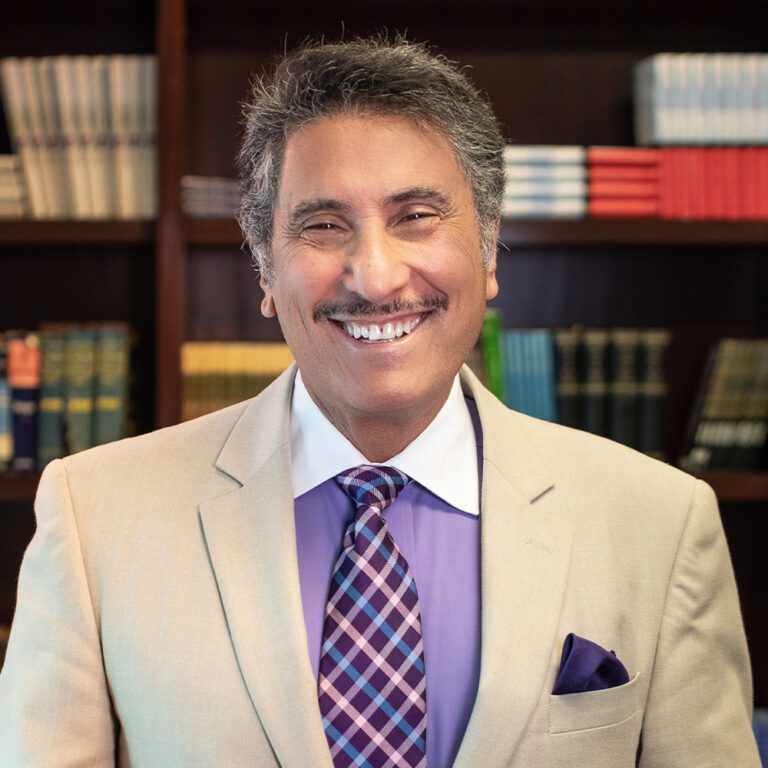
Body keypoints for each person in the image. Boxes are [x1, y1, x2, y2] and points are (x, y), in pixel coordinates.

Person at [0, 37, 760, 768]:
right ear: (266, 271)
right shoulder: (94, 516)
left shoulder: (661, 525)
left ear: (489, 247)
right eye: (323, 225)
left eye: (416, 217)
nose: (374, 274)